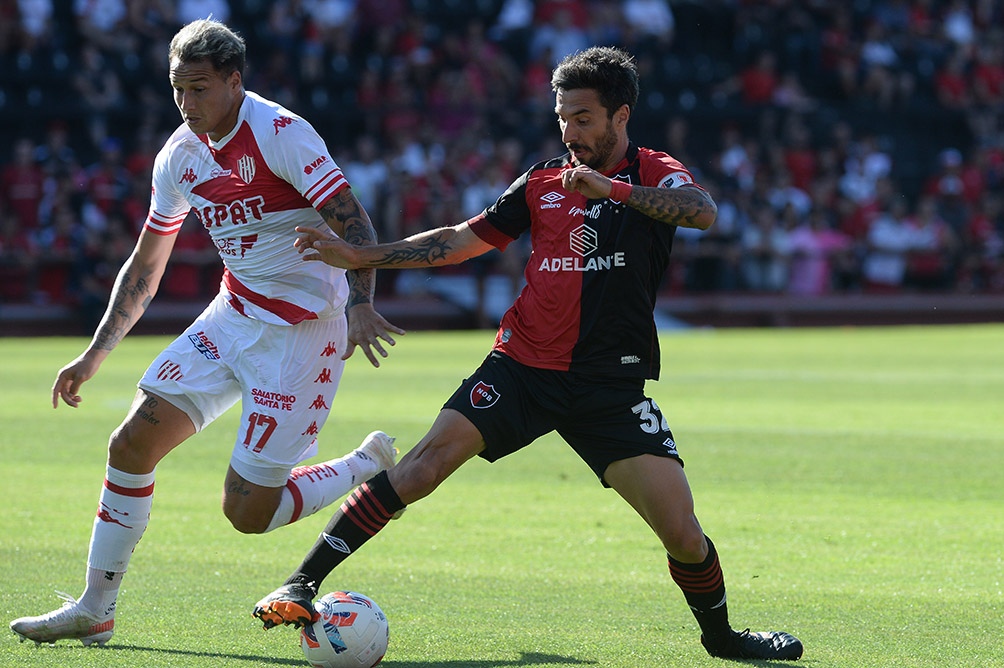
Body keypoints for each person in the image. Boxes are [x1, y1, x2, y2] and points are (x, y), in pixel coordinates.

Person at [253, 46, 803, 661]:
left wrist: (613, 190)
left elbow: (703, 211)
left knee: (682, 531)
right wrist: (362, 257)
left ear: (621, 117)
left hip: (607, 387)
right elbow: (460, 242)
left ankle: (722, 638)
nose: (570, 132)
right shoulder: (540, 181)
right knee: (423, 466)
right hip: (521, 367)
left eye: (585, 118)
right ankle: (303, 580)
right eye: (563, 116)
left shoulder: (653, 172)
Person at [10, 18, 405, 647]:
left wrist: (360, 302)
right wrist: (95, 353)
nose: (187, 105)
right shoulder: (179, 155)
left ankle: (365, 463)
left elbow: (353, 220)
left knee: (246, 513)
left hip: (303, 331)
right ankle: (95, 607)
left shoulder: (281, 134)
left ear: (234, 81)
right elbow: (148, 260)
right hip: (233, 313)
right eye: (177, 91)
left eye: (199, 89)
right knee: (130, 446)